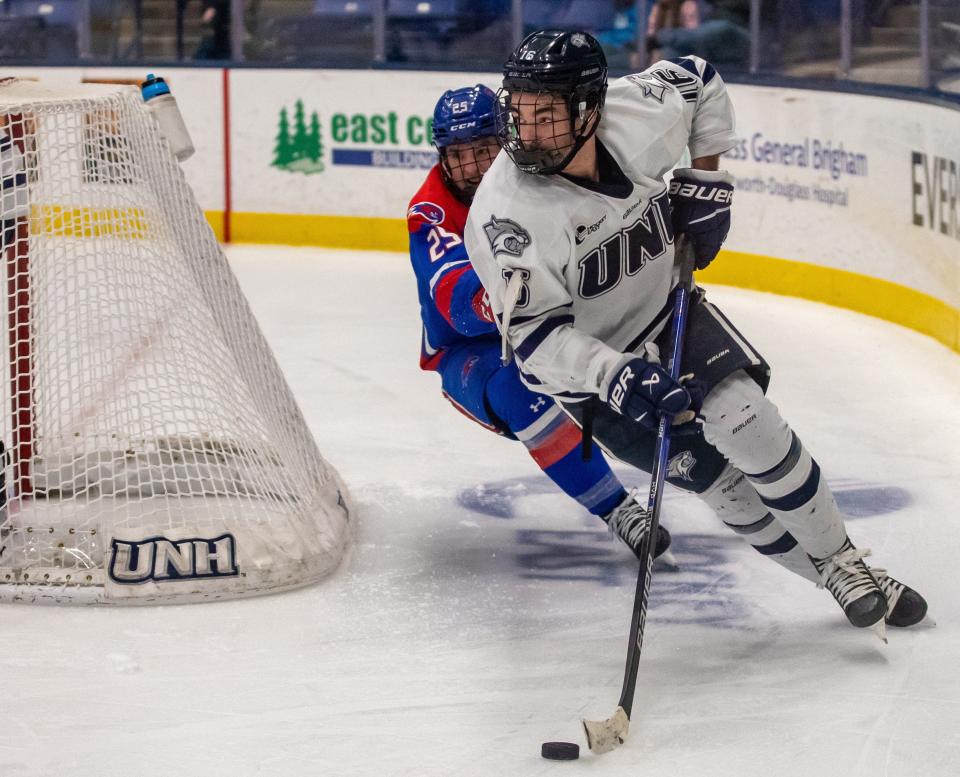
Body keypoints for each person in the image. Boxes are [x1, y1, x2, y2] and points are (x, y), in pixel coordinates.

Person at [464, 30, 927, 635]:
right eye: (520, 113)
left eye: (547, 114)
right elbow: (535, 344)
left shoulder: (637, 110)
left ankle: (845, 562)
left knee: (749, 422)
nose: (528, 131)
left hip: (669, 313)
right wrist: (615, 375)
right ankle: (835, 577)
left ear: (590, 109)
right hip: (596, 377)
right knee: (726, 490)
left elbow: (702, 79)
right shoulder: (506, 217)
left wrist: (707, 181)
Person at [408, 84, 671, 562]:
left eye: (483, 151)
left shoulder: (541, 176)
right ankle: (620, 513)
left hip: (553, 323)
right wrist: (499, 301)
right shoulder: (431, 210)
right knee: (520, 391)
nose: (470, 169)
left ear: (507, 139)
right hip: (475, 351)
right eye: (457, 155)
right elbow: (453, 300)